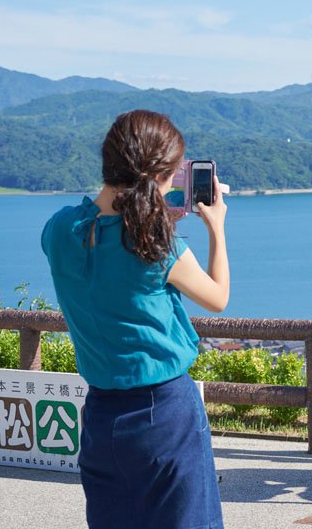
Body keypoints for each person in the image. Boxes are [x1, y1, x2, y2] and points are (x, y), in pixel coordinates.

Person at [41, 110, 229, 528]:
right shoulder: (158, 246)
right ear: (159, 179)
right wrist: (216, 227)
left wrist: (145, 217)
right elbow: (217, 297)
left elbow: (97, 233)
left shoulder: (57, 230)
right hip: (164, 414)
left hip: (100, 419)